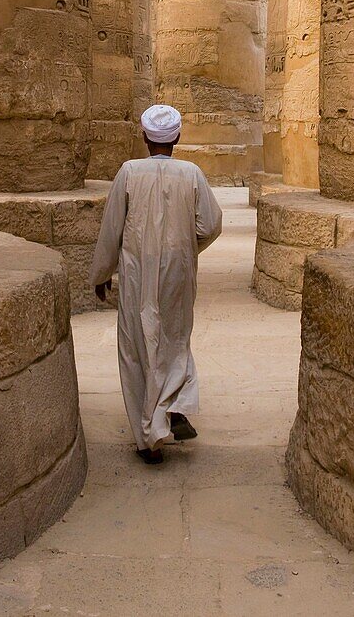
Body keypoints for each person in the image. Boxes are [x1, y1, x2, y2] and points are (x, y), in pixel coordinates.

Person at [88, 104, 223, 464]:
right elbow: (210, 224)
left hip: (137, 272)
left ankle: (149, 437)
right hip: (178, 271)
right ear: (177, 137)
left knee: (136, 345)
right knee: (175, 338)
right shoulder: (191, 173)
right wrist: (187, 247)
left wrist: (102, 273)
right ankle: (171, 405)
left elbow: (112, 228)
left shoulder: (129, 172)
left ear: (145, 137)